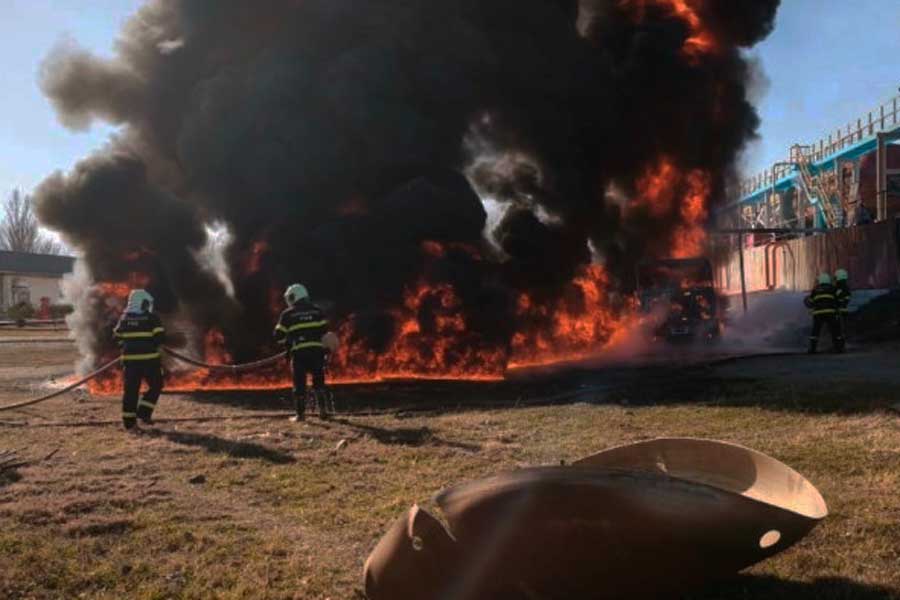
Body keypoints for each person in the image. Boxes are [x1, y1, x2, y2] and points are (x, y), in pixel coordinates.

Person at [274, 284, 334, 421]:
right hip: (317, 353)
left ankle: (300, 415)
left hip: (299, 354)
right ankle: (323, 411)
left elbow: (278, 335)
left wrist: (288, 337)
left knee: (299, 383)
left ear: (294, 297)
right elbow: (325, 333)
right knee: (319, 381)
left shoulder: (288, 314)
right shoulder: (318, 311)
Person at [113, 289, 165, 431]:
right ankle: (144, 412)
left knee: (131, 391)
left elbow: (116, 336)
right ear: (144, 303)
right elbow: (160, 338)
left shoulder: (124, 318)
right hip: (150, 361)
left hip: (130, 362)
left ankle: (129, 424)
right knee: (156, 385)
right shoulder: (151, 317)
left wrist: (125, 347)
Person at [804, 273, 844, 354]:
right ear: (828, 280)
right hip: (830, 313)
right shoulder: (832, 289)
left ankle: (812, 349)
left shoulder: (815, 289)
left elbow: (810, 302)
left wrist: (806, 301)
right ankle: (838, 348)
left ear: (820, 281)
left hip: (818, 313)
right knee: (835, 331)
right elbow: (838, 300)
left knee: (815, 332)